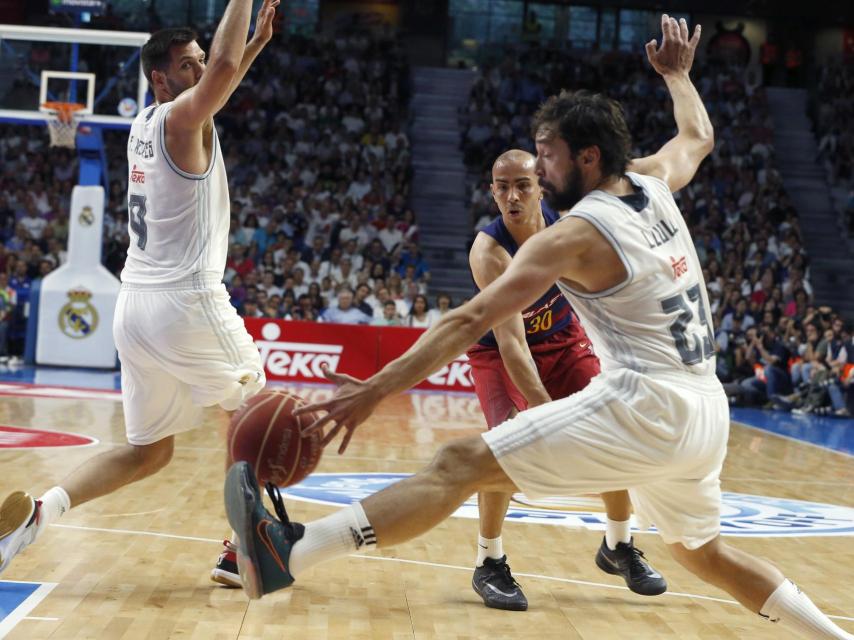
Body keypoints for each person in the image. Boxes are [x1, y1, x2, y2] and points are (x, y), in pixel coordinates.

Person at [224, 17, 853, 639]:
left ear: (587, 156)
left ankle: (293, 552)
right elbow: (698, 135)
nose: (542, 172)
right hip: (705, 408)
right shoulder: (653, 183)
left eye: (547, 157)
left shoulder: (576, 234)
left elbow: (470, 317)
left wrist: (374, 389)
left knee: (458, 461)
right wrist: (679, 76)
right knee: (702, 554)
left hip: (649, 403)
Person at [0, 0, 280, 586]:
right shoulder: (181, 120)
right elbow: (223, 75)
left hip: (136, 307)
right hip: (185, 299)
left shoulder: (145, 125)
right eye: (189, 64)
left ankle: (38, 514)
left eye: (202, 61)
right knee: (257, 414)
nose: (202, 70)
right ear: (160, 78)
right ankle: (243, 546)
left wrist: (251, 47)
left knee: (149, 452)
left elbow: (224, 76)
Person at [465, 149, 665, 611]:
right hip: (499, 351)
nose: (512, 196)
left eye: (522, 185)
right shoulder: (489, 253)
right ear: (491, 190)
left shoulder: (570, 221)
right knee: (506, 443)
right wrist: (546, 411)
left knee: (614, 430)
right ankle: (488, 561)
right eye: (502, 187)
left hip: (562, 339)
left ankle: (617, 545)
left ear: (541, 185)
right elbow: (513, 344)